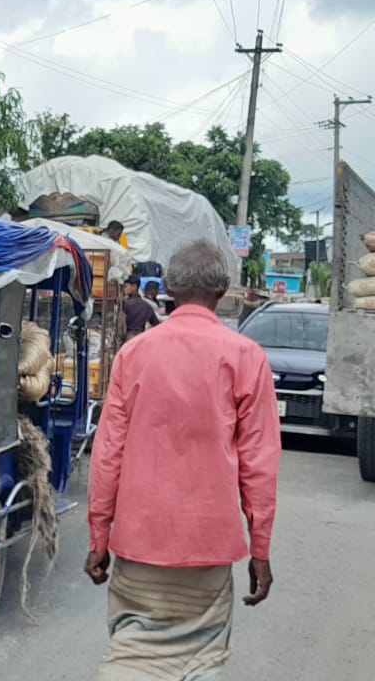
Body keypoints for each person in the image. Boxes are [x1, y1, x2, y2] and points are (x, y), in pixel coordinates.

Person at [87, 239, 281, 680]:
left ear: (171, 286)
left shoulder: (133, 355)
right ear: (223, 289)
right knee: (200, 662)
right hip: (208, 552)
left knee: (132, 656)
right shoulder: (246, 358)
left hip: (137, 545)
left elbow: (107, 457)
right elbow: (259, 467)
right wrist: (261, 550)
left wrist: (99, 536)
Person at [122, 275, 163, 341]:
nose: (124, 289)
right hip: (141, 338)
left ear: (134, 287)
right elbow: (156, 324)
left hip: (127, 338)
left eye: (125, 286)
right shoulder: (147, 306)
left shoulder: (125, 304)